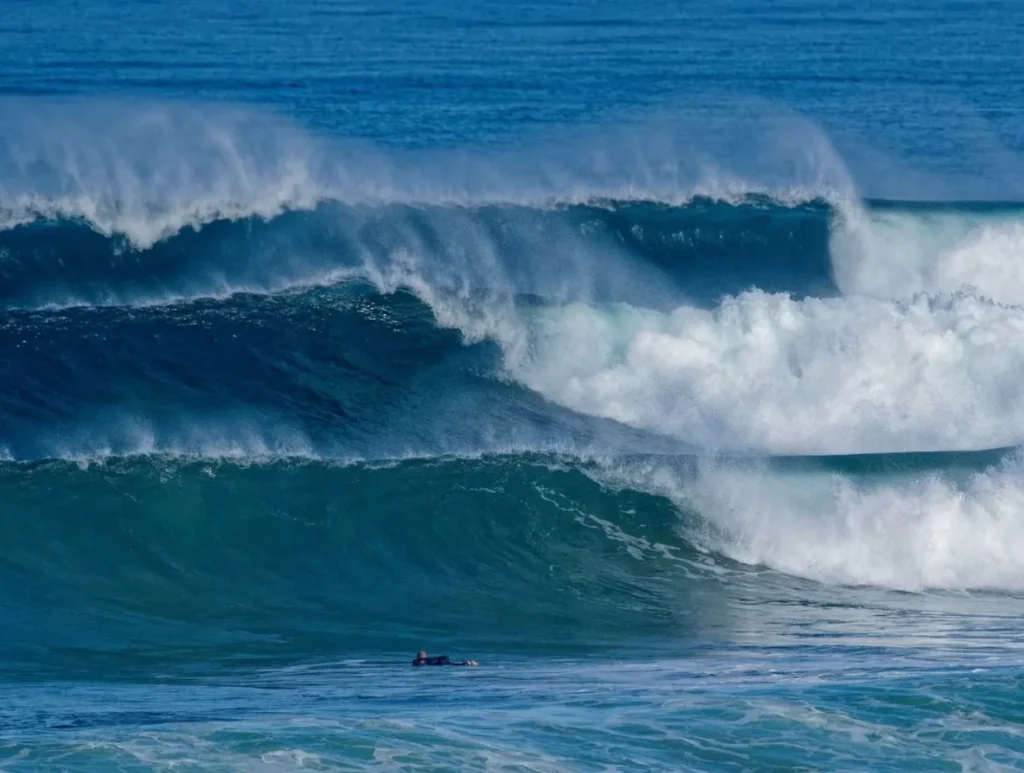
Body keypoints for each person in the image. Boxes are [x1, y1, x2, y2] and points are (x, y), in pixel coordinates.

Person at [412, 650, 478, 667]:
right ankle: (467, 663)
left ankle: (466, 663)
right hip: (441, 659)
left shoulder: (419, 660)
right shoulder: (429, 658)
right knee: (452, 663)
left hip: (438, 662)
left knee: (452, 664)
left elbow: (420, 663)